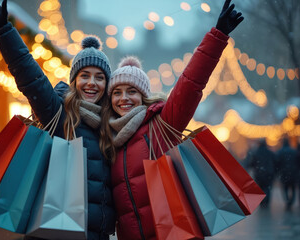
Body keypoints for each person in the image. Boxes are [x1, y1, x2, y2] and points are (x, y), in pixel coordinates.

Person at [101, 0, 244, 239]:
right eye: (117, 92)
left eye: (132, 91)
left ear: (143, 96)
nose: (124, 98)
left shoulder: (163, 123)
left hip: (174, 234)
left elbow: (190, 85)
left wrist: (217, 36)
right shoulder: (107, 138)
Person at [0, 0, 116, 239]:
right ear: (74, 81)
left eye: (99, 77)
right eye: (85, 76)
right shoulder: (59, 112)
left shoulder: (112, 126)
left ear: (107, 84)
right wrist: (4, 30)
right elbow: (30, 76)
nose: (92, 83)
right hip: (54, 231)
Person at [247, 139, 277, 208]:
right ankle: (266, 202)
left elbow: (251, 163)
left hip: (259, 174)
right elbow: (275, 161)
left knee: (260, 188)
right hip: (269, 173)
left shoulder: (256, 152)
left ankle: (262, 202)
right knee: (268, 188)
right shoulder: (270, 152)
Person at [277, 137, 298, 211]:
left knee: (285, 188)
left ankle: (287, 201)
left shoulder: (280, 152)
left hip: (284, 173)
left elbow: (277, 163)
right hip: (293, 173)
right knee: (293, 188)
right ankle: (291, 201)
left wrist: (278, 172)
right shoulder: (294, 151)